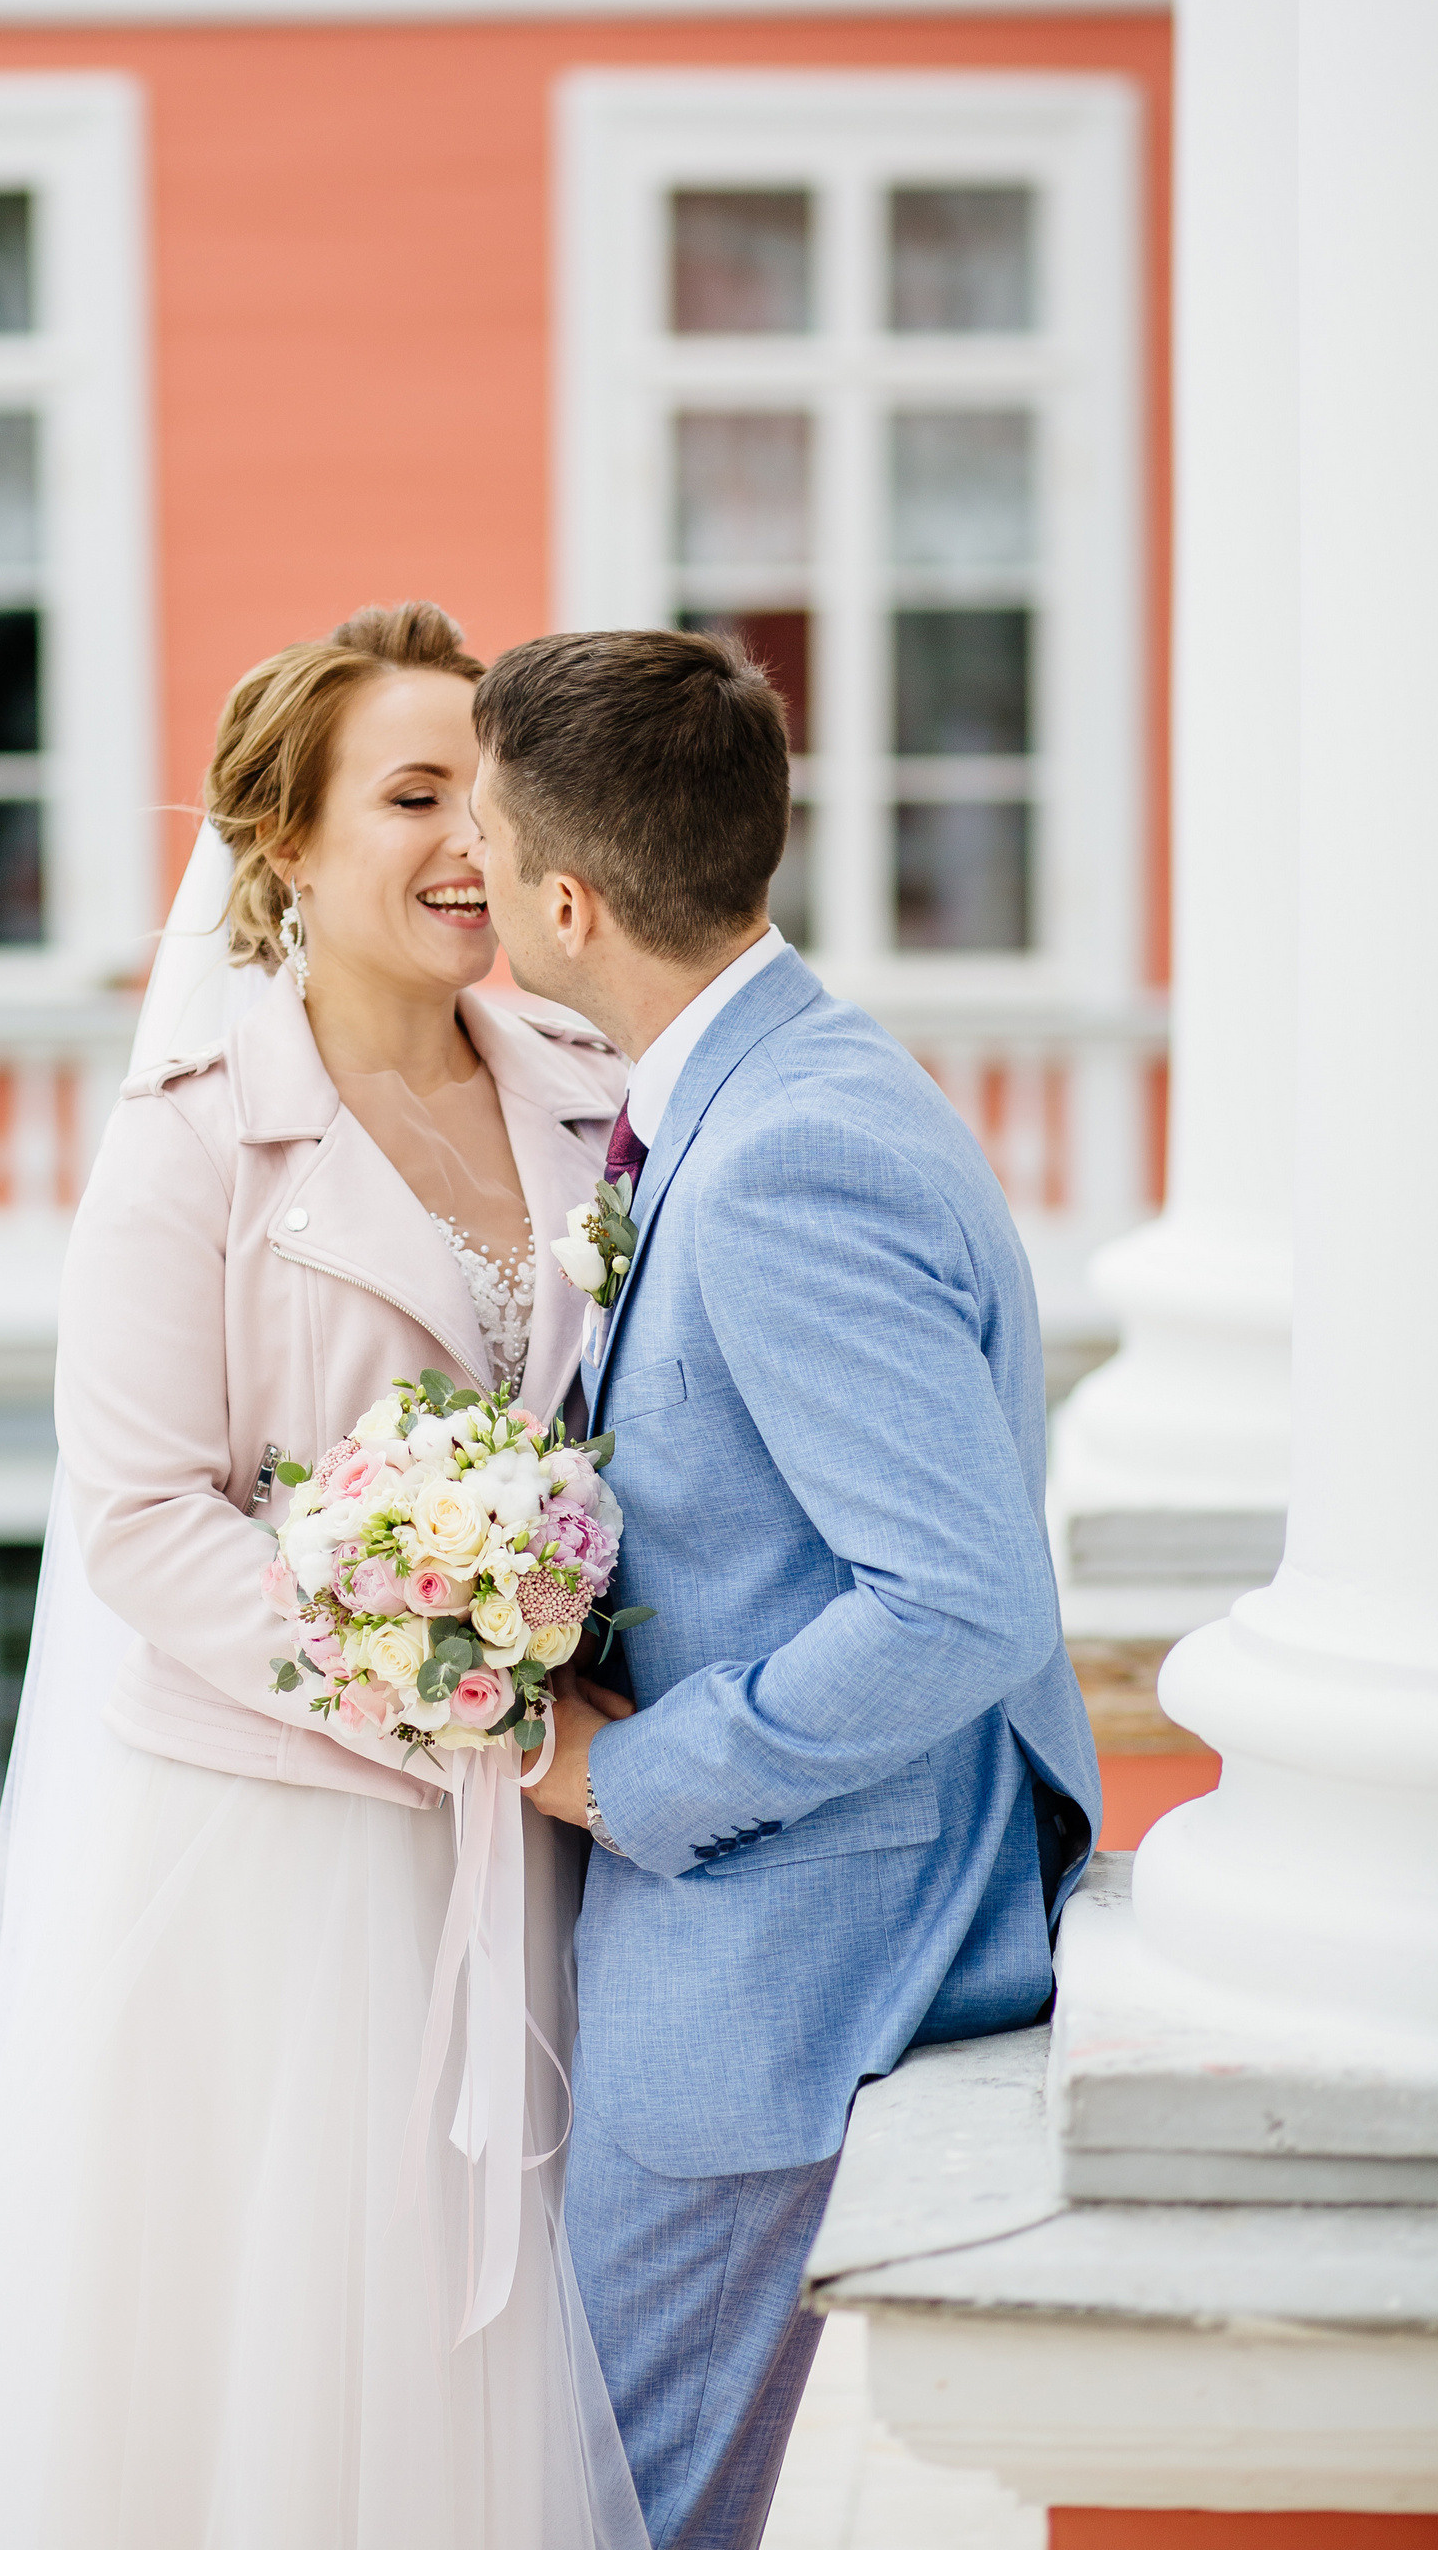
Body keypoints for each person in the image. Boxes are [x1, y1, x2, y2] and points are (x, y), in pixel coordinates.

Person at [0, 602, 648, 2550]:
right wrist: (462, 1697)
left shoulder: (593, 1093)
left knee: (474, 2359)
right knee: (271, 2348)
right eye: (411, 795)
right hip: (284, 1854)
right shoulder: (188, 1151)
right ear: (281, 848)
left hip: (527, 1856)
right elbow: (147, 1523)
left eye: (491, 800)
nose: (466, 845)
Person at [467, 627, 1102, 2550]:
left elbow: (960, 1600)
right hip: (774, 1925)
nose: (466, 874)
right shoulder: (771, 1082)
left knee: (616, 2516)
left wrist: (630, 1782)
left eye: (485, 842)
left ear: (568, 899)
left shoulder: (788, 1153)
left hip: (780, 1951)